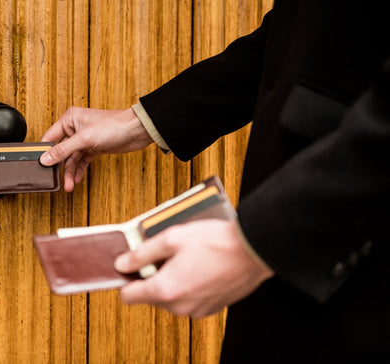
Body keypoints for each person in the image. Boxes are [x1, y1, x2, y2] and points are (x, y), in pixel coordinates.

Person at [40, 1, 390, 362]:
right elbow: (299, 34)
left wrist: (254, 244)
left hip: (354, 263)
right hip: (284, 256)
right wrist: (142, 122)